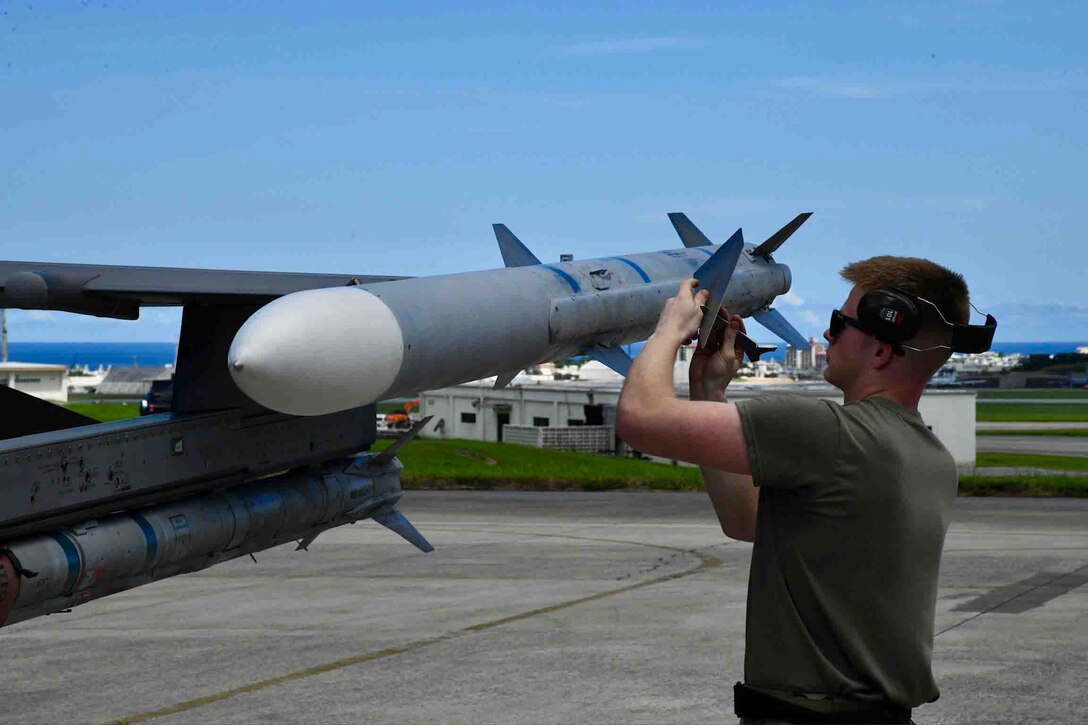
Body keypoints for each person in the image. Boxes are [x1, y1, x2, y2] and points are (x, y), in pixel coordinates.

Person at [616, 256, 975, 724]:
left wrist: (668, 329)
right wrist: (708, 390)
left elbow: (641, 419)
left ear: (882, 350)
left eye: (838, 324)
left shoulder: (831, 433)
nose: (827, 336)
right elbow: (747, 521)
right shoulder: (930, 458)